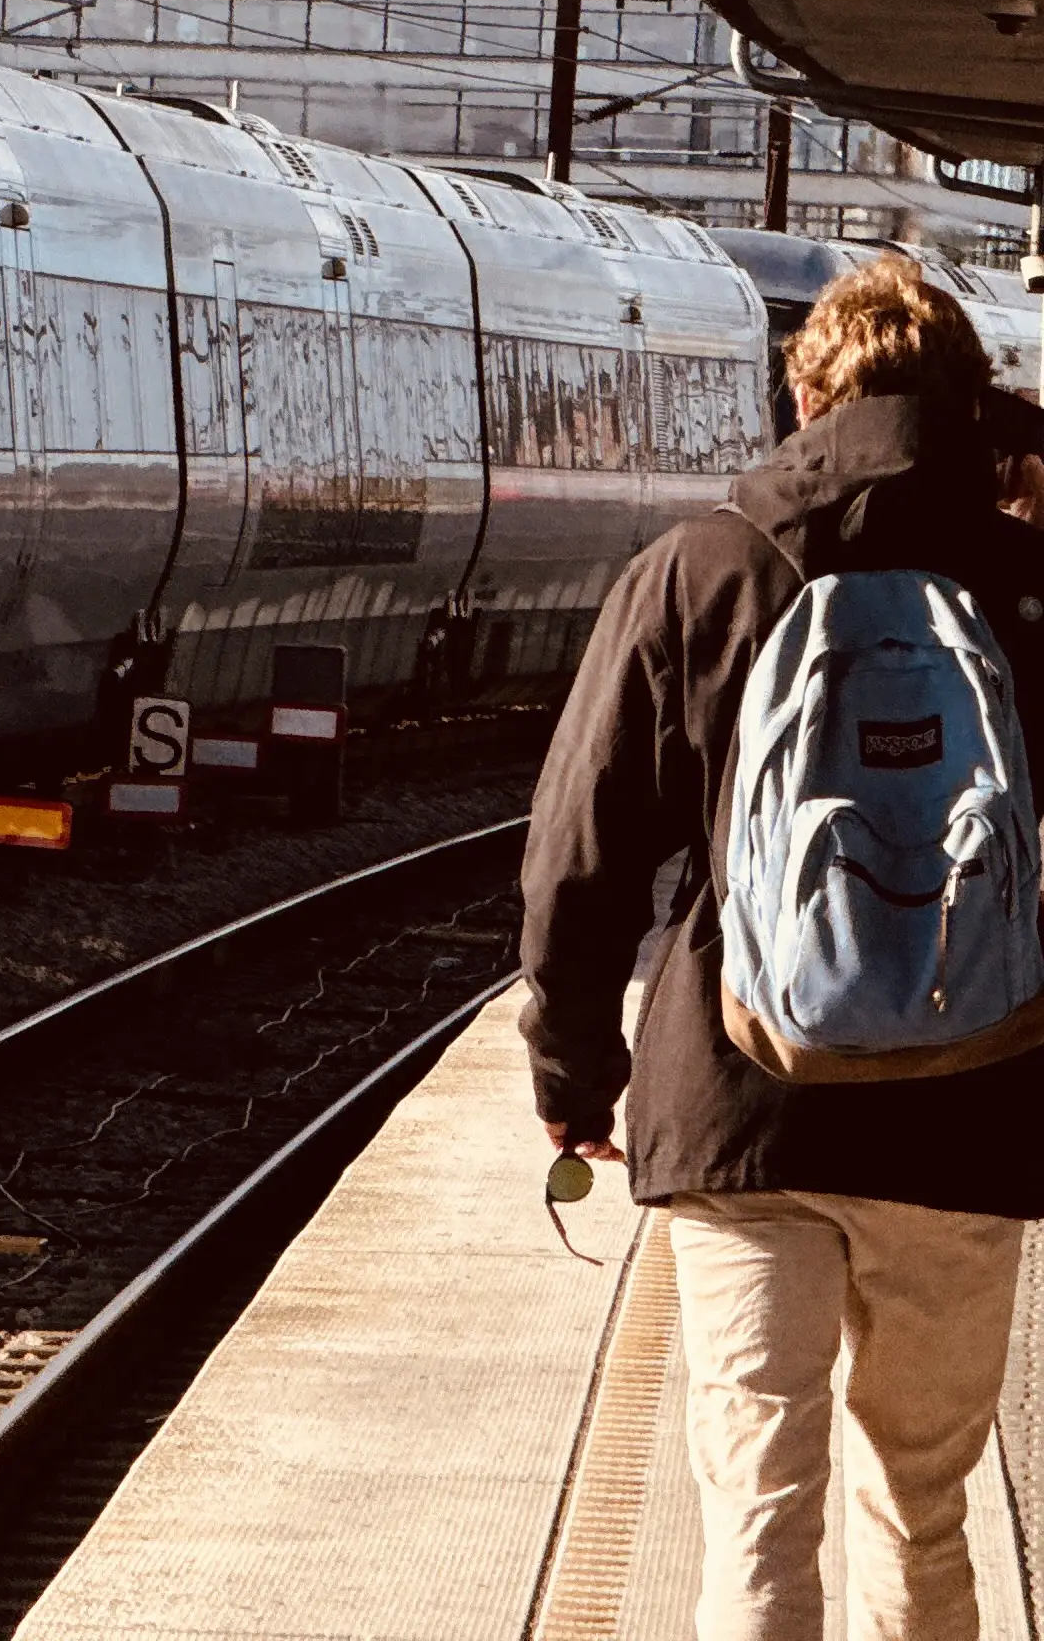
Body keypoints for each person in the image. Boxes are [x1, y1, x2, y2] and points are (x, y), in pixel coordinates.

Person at [524, 253, 1044, 1641]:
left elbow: (580, 847)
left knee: (759, 1514)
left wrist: (576, 1073)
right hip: (975, 1104)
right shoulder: (1027, 582)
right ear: (972, 402)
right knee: (922, 1508)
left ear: (804, 395)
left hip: (745, 1100)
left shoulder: (699, 568)